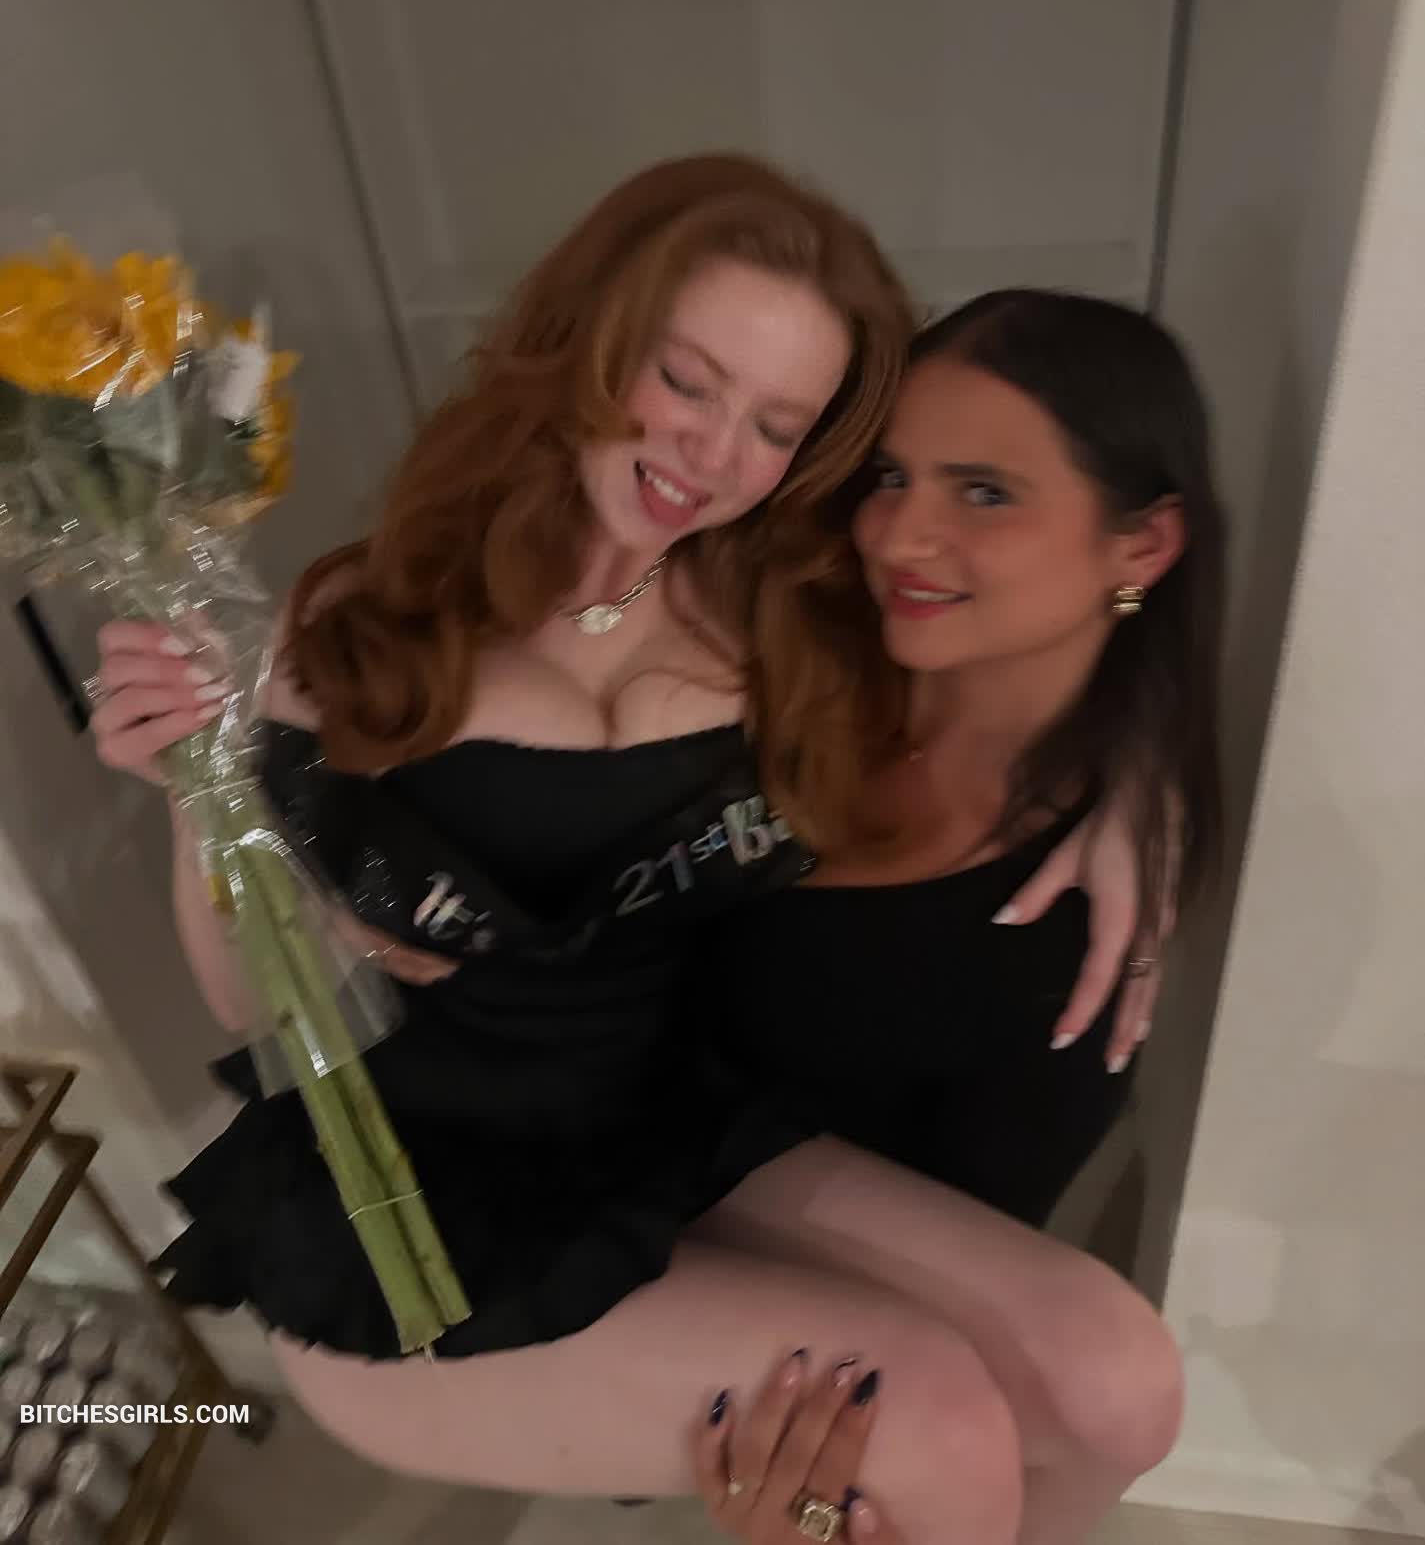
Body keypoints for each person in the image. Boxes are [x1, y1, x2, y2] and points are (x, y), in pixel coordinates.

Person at [90, 156, 1183, 1545]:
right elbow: (260, 1003)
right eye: (686, 381)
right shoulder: (366, 617)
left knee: (1117, 1384)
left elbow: (1036, 639)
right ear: (589, 338)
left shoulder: (793, 622)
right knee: (935, 1423)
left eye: (777, 425)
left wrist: (1140, 788)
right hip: (406, 1205)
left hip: (665, 1129)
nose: (713, 456)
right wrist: (196, 793)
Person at [684, 288, 1223, 1544]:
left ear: (1142, 546)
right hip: (550, 1113)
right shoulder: (784, 650)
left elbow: (960, 1267)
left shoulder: (1069, 915)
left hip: (732, 1243)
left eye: (985, 492)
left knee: (1095, 1396)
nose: (899, 534)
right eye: (889, 475)